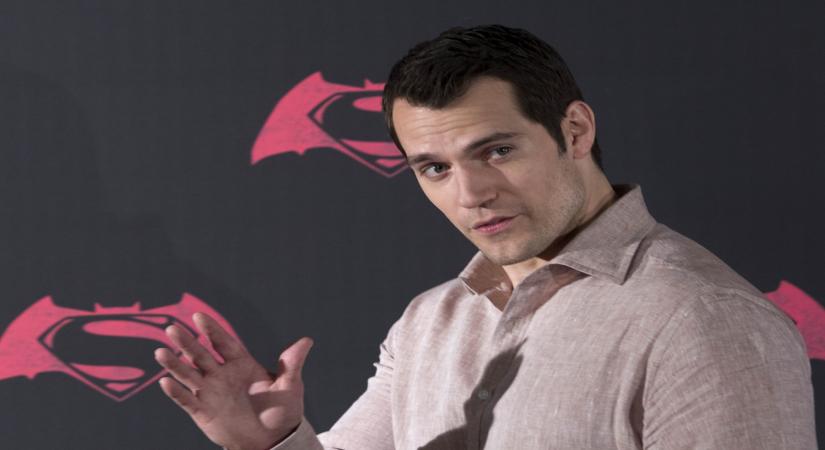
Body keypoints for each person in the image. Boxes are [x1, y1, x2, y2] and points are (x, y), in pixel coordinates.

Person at [154, 25, 816, 449]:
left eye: (496, 151)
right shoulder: (431, 320)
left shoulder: (702, 319)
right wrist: (273, 443)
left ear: (575, 131)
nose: (469, 194)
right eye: (434, 168)